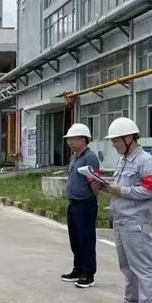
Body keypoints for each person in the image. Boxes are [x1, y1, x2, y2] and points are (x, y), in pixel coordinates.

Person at [99, 117, 152, 303]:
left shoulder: (146, 161)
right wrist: (104, 186)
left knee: (143, 266)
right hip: (121, 219)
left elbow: (150, 190)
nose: (114, 145)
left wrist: (121, 190)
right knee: (127, 265)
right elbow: (118, 186)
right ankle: (132, 301)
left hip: (135, 221)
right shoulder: (123, 160)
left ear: (129, 137)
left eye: (116, 140)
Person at [61, 123, 100, 289]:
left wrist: (94, 195)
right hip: (73, 202)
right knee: (75, 239)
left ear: (83, 140)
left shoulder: (90, 158)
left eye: (72, 139)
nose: (69, 142)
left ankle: (88, 273)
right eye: (68, 139)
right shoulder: (74, 157)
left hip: (85, 203)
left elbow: (95, 181)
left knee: (86, 239)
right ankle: (77, 269)